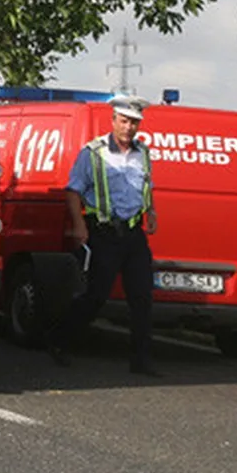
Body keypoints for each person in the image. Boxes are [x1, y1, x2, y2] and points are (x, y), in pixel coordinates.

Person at [46, 94, 160, 376]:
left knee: (142, 297)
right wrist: (79, 225)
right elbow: (73, 190)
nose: (129, 127)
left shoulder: (142, 153)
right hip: (104, 232)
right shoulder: (94, 153)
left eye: (134, 122)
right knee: (96, 295)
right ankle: (60, 341)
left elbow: (146, 186)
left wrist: (152, 212)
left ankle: (141, 360)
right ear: (114, 121)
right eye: (124, 121)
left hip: (133, 233)